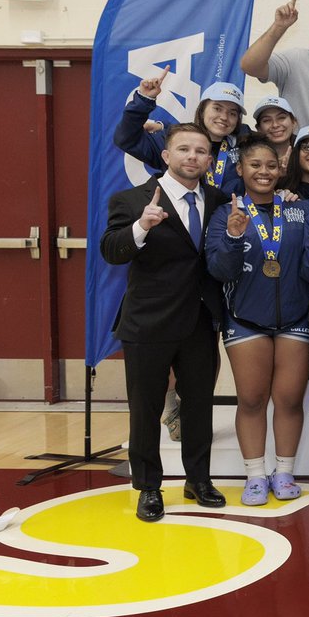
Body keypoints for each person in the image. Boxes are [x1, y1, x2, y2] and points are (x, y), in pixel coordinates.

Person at [100, 122, 228, 522]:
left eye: (201, 151)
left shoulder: (221, 199)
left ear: (210, 160)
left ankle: (199, 479)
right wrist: (142, 227)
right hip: (148, 322)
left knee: (198, 407)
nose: (193, 156)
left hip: (199, 321)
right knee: (145, 408)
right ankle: (148, 487)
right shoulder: (131, 199)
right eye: (184, 149)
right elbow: (111, 251)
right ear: (166, 156)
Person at [205, 135, 309, 507]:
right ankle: (256, 475)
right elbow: (219, 271)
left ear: (281, 170)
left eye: (271, 166)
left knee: (289, 399)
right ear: (240, 169)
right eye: (255, 165)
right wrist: (233, 235)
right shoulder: (226, 213)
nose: (264, 172)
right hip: (245, 320)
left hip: (294, 319)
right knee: (253, 399)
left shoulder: (301, 208)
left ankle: (285, 471)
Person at [114, 70, 247, 195]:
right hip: (183, 217)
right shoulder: (171, 141)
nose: (224, 117)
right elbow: (126, 139)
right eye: (217, 108)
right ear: (202, 110)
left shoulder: (246, 144)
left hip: (229, 218)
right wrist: (143, 101)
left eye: (232, 113)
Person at [252, 96, 298, 173]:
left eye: (281, 118)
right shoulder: (251, 155)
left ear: (294, 122)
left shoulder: (306, 153)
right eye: (267, 120)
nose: (275, 125)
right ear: (258, 128)